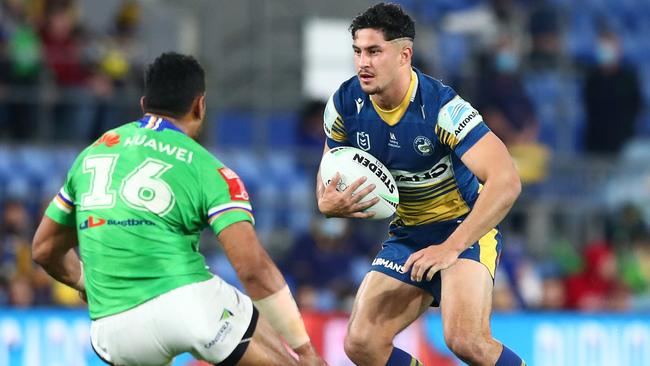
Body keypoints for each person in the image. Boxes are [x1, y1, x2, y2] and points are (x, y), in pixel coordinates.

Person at [32, 52, 325, 366]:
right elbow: (253, 269)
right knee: (246, 315)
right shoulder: (207, 168)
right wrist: (305, 350)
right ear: (200, 105)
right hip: (185, 306)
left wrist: (85, 283)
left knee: (235, 310)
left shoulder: (92, 155)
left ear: (144, 104)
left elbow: (44, 249)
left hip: (111, 330)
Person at [316, 3, 525, 365]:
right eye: (357, 51)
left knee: (465, 340)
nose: (362, 62)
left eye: (374, 51)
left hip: (464, 228)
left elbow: (506, 182)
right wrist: (326, 204)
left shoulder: (443, 108)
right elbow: (327, 177)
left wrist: (450, 247)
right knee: (362, 343)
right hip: (409, 234)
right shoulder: (344, 105)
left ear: (404, 55)